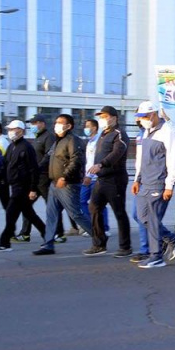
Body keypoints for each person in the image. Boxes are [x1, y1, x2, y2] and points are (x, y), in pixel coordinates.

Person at [131, 102, 175, 269]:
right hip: (144, 182)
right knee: (141, 217)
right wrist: (136, 178)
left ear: (153, 115)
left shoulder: (166, 131)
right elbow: (140, 159)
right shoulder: (147, 131)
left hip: (158, 182)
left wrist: (170, 185)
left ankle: (156, 256)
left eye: (144, 117)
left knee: (153, 219)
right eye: (140, 118)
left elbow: (173, 158)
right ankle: (172, 239)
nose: (142, 121)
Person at [32, 114, 91, 255]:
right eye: (56, 122)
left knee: (76, 214)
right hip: (54, 184)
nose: (56, 125)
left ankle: (99, 237)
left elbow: (77, 160)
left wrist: (64, 177)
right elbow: (48, 158)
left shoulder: (73, 140)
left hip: (67, 184)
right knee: (51, 214)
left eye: (60, 123)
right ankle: (48, 245)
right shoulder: (57, 141)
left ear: (69, 126)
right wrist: (36, 170)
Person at [83, 106, 132, 257]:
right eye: (101, 116)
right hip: (101, 179)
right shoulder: (103, 134)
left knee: (119, 212)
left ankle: (125, 247)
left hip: (115, 179)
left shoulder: (120, 134)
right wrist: (90, 173)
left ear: (114, 117)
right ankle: (99, 244)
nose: (102, 119)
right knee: (94, 207)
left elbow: (116, 153)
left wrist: (101, 164)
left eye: (105, 116)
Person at [0, 121, 45, 252]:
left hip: (23, 187)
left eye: (13, 129)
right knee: (30, 214)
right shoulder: (11, 147)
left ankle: (4, 243)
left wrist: (33, 188)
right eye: (9, 129)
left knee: (11, 214)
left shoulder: (26, 147)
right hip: (15, 186)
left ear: (21, 131)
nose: (10, 131)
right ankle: (48, 236)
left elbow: (33, 169)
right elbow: (5, 166)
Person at [13, 114, 56, 243]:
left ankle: (57, 233)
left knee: (51, 207)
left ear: (42, 123)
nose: (32, 126)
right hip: (35, 179)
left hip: (44, 178)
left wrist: (38, 168)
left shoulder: (48, 137)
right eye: (31, 123)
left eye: (34, 123)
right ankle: (25, 233)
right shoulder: (37, 138)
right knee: (26, 206)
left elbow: (49, 155)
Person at [80, 119, 107, 236]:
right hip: (88, 176)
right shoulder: (90, 141)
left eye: (88, 126)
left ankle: (104, 228)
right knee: (82, 201)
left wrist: (90, 175)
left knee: (99, 204)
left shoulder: (99, 141)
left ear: (95, 128)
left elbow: (96, 160)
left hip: (95, 177)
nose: (86, 128)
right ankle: (93, 225)